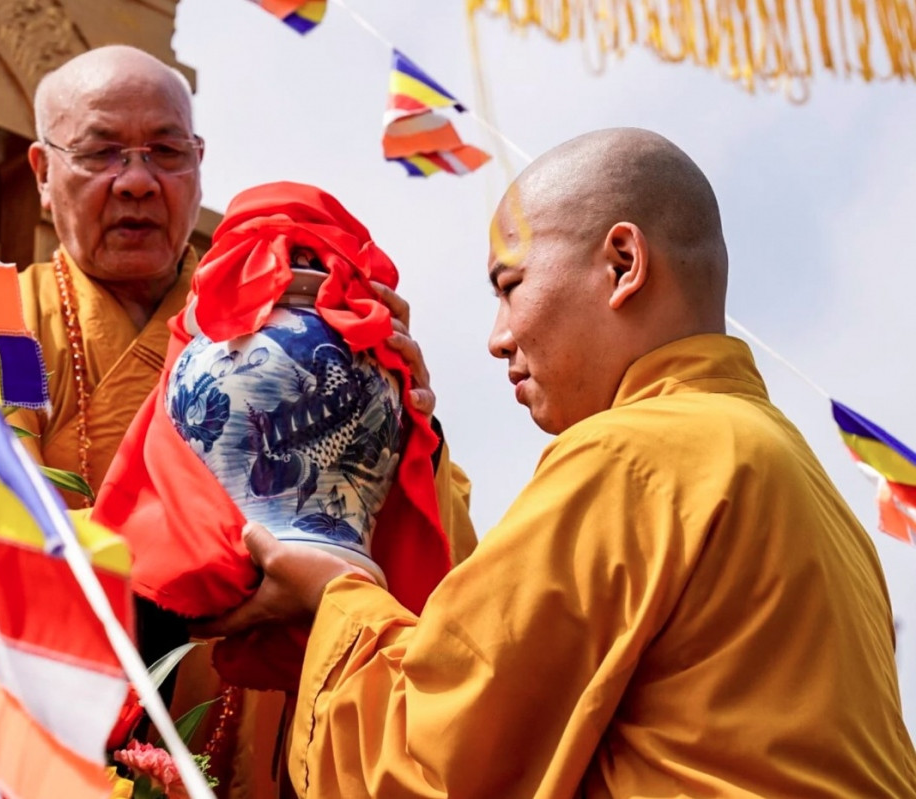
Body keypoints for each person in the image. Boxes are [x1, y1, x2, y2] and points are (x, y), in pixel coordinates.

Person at [203, 128, 916, 797]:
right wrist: (417, 445)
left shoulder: (635, 456)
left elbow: (437, 757)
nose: (497, 337)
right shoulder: (794, 476)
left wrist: (337, 593)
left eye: (510, 286)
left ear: (623, 264)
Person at [9, 45, 477, 797]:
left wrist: (406, 424)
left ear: (199, 164)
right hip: (59, 728)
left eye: (166, 151)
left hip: (261, 733)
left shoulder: (274, 324)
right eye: (101, 152)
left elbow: (441, 561)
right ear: (40, 172)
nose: (137, 180)